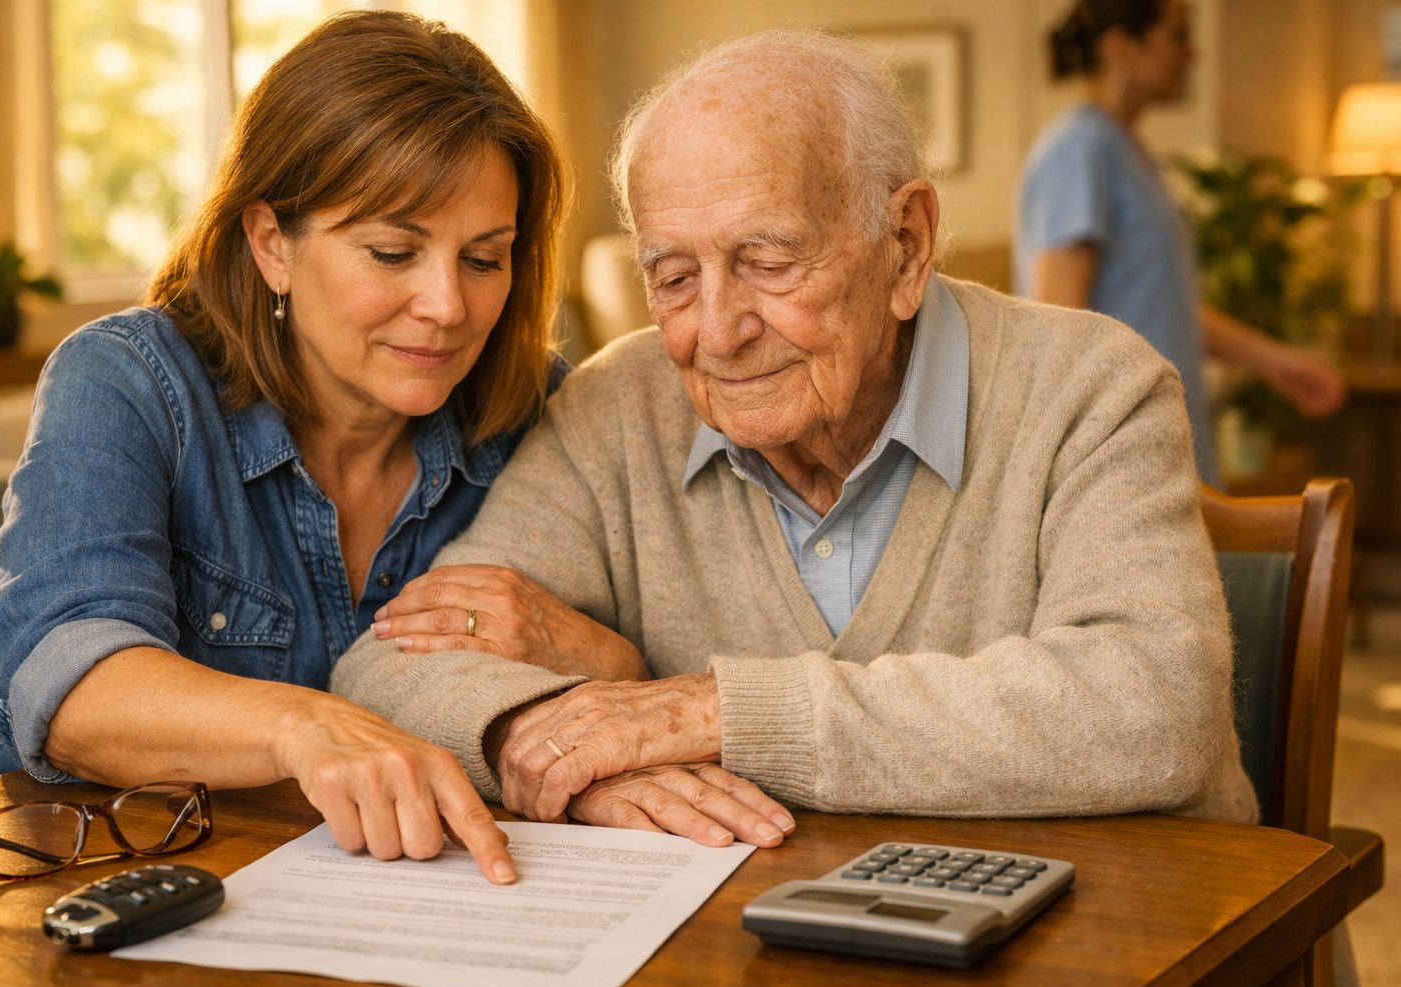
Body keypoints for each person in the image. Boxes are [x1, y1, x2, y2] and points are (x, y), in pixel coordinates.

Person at [331, 30, 1258, 850]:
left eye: (769, 263)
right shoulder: (618, 408)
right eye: (675, 277)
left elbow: (1153, 706)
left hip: (1119, 946)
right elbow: (384, 665)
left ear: (905, 246)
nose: (718, 329)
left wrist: (709, 712)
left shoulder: (1092, 386)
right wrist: (553, 741)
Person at [0, 10, 636, 885]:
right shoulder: (128, 380)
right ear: (270, 244)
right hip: (29, 858)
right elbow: (68, 688)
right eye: (394, 251)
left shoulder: (534, 405)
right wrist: (307, 725)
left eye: (485, 259)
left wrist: (604, 658)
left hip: (330, 881)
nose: (448, 304)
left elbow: (639, 651)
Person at [1015, 0, 1345, 482]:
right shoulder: (1078, 149)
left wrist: (1277, 362)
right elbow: (1060, 324)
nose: (1193, 55)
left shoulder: (1127, 152)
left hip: (1166, 444)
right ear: (1120, 47)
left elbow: (1166, 307)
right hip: (1122, 464)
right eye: (1178, 36)